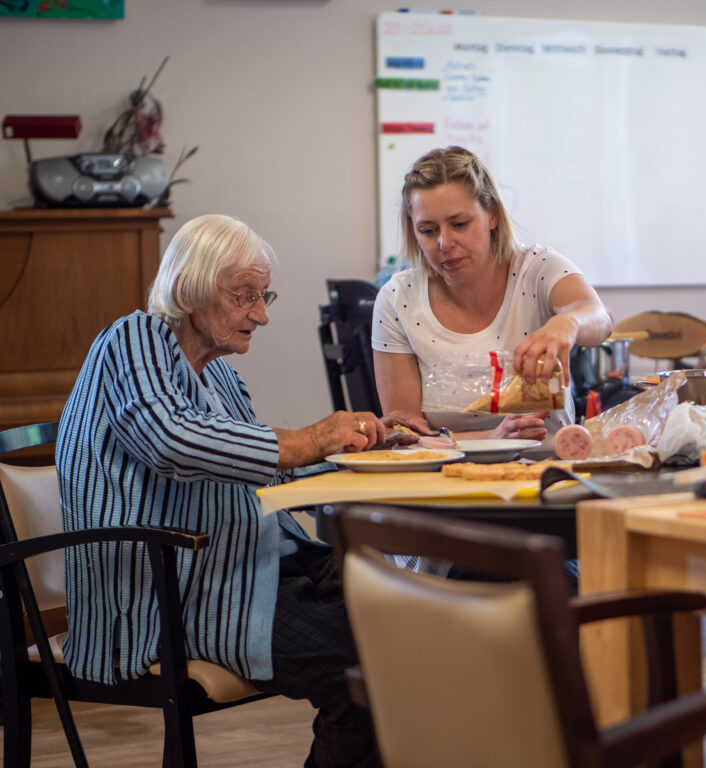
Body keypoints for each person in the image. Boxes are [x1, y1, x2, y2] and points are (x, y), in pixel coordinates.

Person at [56, 214, 385, 768]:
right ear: (187, 290)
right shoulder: (131, 339)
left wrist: (356, 450)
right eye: (245, 296)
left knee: (403, 608)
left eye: (264, 295)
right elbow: (171, 440)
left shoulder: (220, 375)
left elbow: (264, 469)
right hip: (170, 594)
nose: (260, 314)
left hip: (248, 568)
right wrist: (308, 439)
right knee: (366, 665)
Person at [371, 145, 612, 441]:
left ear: (492, 215)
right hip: (441, 477)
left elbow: (598, 317)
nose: (444, 243)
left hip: (546, 471)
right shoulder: (397, 299)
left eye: (460, 224)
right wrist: (491, 437)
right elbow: (404, 435)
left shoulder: (538, 269)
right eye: (428, 230)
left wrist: (568, 324)